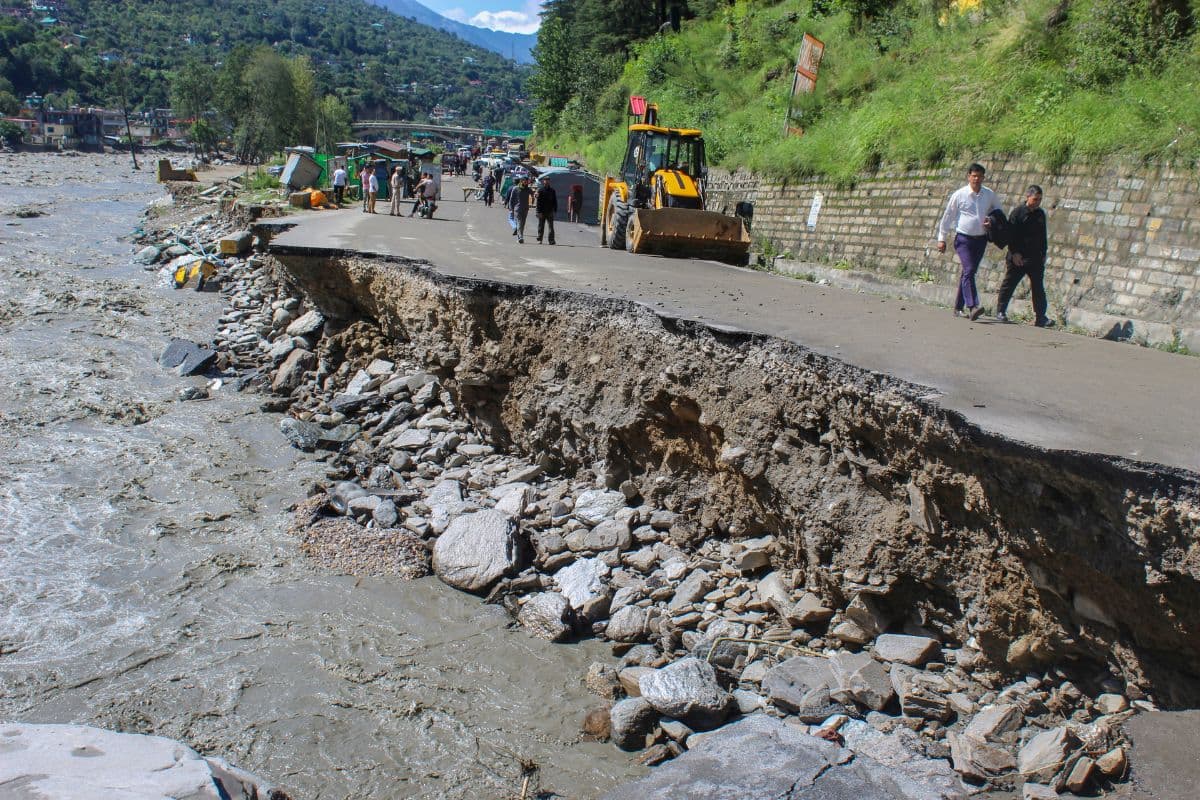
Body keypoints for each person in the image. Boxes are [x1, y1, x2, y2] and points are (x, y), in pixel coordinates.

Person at [937, 163, 1003, 321]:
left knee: (968, 273)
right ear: (968, 177)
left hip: (980, 239)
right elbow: (948, 217)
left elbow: (999, 212)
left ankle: (958, 308)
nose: (977, 179)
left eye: (980, 176)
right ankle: (973, 305)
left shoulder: (989, 194)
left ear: (983, 177)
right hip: (963, 239)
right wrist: (942, 238)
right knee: (969, 269)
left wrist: (991, 221)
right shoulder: (959, 195)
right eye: (974, 176)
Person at [995, 185, 1053, 327]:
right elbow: (1011, 235)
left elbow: (1042, 235)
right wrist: (1014, 253)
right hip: (1019, 257)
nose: (1037, 202)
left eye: (1040, 200)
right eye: (1035, 199)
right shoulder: (1018, 213)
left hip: (1035, 257)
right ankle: (1001, 311)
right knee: (1010, 284)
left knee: (1038, 287)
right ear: (1028, 197)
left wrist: (1044, 253)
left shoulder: (1040, 214)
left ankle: (1041, 317)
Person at [507, 177, 533, 243]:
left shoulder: (528, 189)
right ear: (521, 181)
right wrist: (511, 208)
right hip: (517, 209)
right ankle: (520, 237)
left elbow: (533, 194)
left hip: (525, 209)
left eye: (527, 181)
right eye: (525, 181)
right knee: (519, 222)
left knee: (523, 223)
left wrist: (534, 197)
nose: (526, 182)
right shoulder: (515, 188)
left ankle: (520, 236)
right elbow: (511, 199)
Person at [535, 177, 557, 245]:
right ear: (543, 182)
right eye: (545, 180)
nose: (546, 182)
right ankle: (539, 239)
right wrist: (538, 212)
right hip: (542, 211)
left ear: (549, 181)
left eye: (548, 180)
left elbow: (554, 200)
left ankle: (551, 240)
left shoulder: (552, 190)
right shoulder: (540, 190)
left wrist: (555, 209)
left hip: (550, 211)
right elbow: (538, 202)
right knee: (541, 226)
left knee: (551, 227)